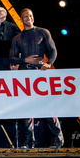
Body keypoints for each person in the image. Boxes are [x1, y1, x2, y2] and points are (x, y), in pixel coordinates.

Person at [9, 8, 63, 149]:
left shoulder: (43, 32)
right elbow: (11, 57)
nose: (29, 18)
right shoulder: (17, 38)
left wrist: (49, 63)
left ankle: (58, 139)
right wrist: (25, 59)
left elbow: (53, 50)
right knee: (27, 109)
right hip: (25, 74)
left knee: (48, 107)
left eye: (31, 16)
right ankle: (29, 142)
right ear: (21, 19)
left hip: (40, 74)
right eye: (26, 16)